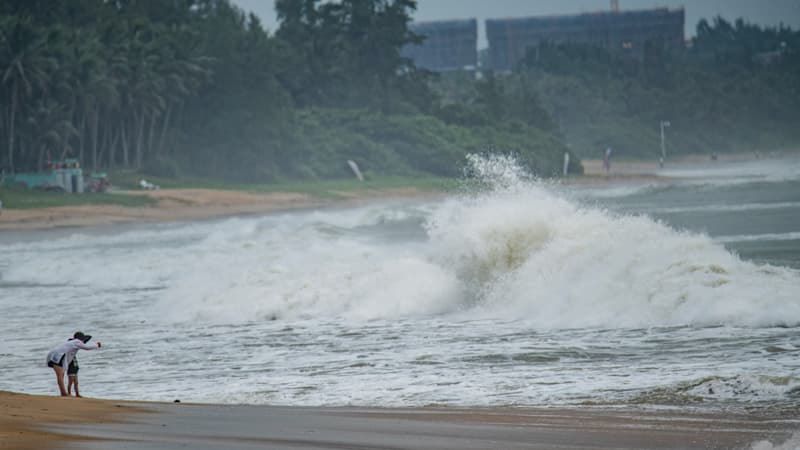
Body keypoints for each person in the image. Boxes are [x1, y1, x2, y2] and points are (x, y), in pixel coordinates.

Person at [46, 331, 101, 396]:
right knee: (60, 375)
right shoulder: (77, 341)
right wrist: (97, 345)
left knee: (60, 375)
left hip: (52, 354)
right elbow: (87, 348)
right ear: (81, 339)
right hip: (58, 355)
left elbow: (68, 357)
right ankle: (63, 393)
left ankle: (63, 392)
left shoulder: (70, 342)